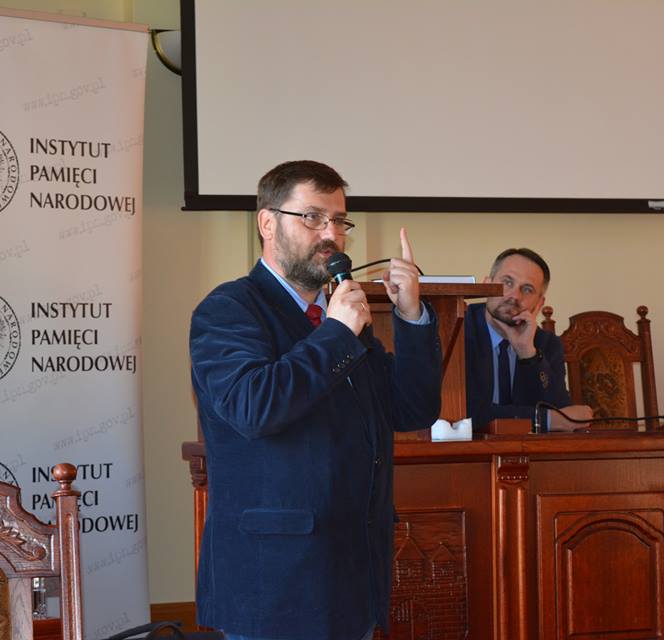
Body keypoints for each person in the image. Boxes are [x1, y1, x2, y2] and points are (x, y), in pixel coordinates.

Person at [189, 160, 442, 640]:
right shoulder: (228, 309)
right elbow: (254, 407)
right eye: (312, 217)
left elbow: (412, 410)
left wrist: (411, 316)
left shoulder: (340, 318)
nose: (331, 234)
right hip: (275, 585)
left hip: (353, 579)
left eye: (339, 221)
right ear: (268, 223)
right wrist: (336, 333)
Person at [465, 247, 593, 431]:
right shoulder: (458, 331)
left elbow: (562, 411)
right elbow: (465, 412)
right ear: (486, 285)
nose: (515, 296)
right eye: (507, 282)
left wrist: (528, 354)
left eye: (527, 289)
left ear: (539, 303)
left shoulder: (546, 343)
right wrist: (546, 420)